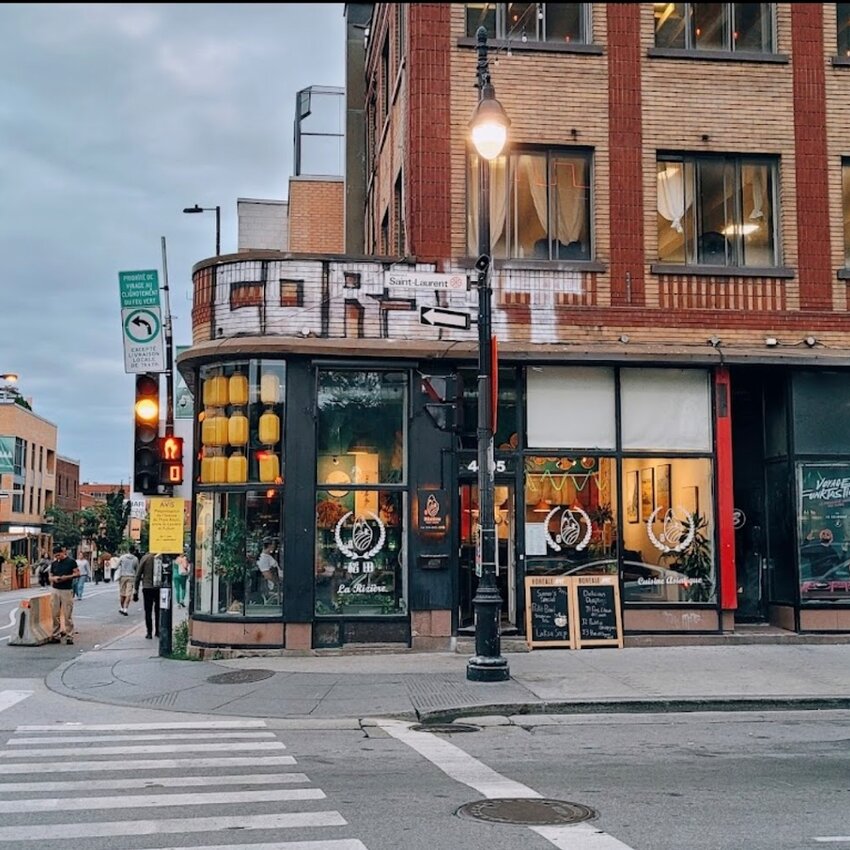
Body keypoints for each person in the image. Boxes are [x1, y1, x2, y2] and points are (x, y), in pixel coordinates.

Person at [48, 544, 79, 645]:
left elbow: (77, 573)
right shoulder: (54, 564)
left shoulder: (71, 562)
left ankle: (69, 635)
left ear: (63, 552)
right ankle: (55, 635)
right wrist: (54, 579)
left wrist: (67, 577)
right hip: (55, 589)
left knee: (67, 614)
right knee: (54, 613)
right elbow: (50, 576)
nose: (57, 557)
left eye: (59, 555)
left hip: (66, 589)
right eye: (56, 556)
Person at [134, 550, 160, 639]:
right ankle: (158, 631)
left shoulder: (145, 558)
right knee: (158, 610)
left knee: (148, 611)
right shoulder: (161, 558)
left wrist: (136, 590)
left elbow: (138, 574)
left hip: (147, 587)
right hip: (158, 587)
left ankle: (149, 632)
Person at [116, 548, 139, 615]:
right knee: (128, 593)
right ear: (134, 551)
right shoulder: (135, 559)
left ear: (128, 550)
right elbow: (137, 569)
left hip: (123, 576)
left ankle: (122, 608)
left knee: (122, 592)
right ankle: (125, 609)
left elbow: (116, 566)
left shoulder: (122, 557)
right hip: (131, 577)